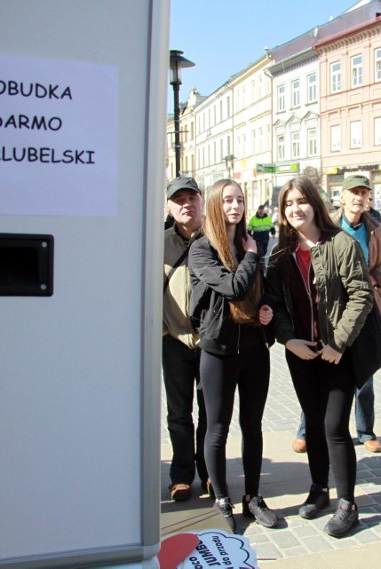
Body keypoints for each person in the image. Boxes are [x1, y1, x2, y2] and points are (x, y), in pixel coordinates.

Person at [266, 176, 373, 537]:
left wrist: (338, 343)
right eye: (288, 204)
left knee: (334, 427)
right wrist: (287, 339)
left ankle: (348, 504)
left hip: (337, 353)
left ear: (315, 203)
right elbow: (276, 303)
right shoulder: (281, 251)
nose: (295, 209)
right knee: (313, 422)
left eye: (301, 201)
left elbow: (361, 295)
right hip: (301, 353)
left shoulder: (340, 243)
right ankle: (318, 490)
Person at [291, 175, 381, 455]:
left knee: (364, 373)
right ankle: (307, 430)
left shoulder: (376, 230)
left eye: (364, 193)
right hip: (327, 312)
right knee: (320, 375)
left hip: (363, 310)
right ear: (341, 197)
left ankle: (366, 431)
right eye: (353, 192)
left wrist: (375, 276)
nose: (359, 198)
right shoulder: (326, 226)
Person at [188, 179, 279, 532]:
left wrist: (267, 308)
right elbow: (232, 287)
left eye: (239, 200)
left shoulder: (246, 243)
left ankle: (252, 497)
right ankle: (222, 498)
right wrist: (253, 255)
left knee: (252, 426)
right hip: (219, 352)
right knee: (217, 429)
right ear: (215, 204)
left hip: (255, 349)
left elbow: (262, 290)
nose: (235, 207)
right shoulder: (202, 249)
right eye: (227, 200)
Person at [162, 176, 209, 502]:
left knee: (210, 413)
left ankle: (208, 472)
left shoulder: (217, 237)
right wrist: (160, 327)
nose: (186, 204)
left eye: (191, 198)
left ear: (202, 202)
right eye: (178, 199)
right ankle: (181, 475)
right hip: (174, 340)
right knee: (179, 414)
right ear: (169, 206)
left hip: (210, 343)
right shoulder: (157, 243)